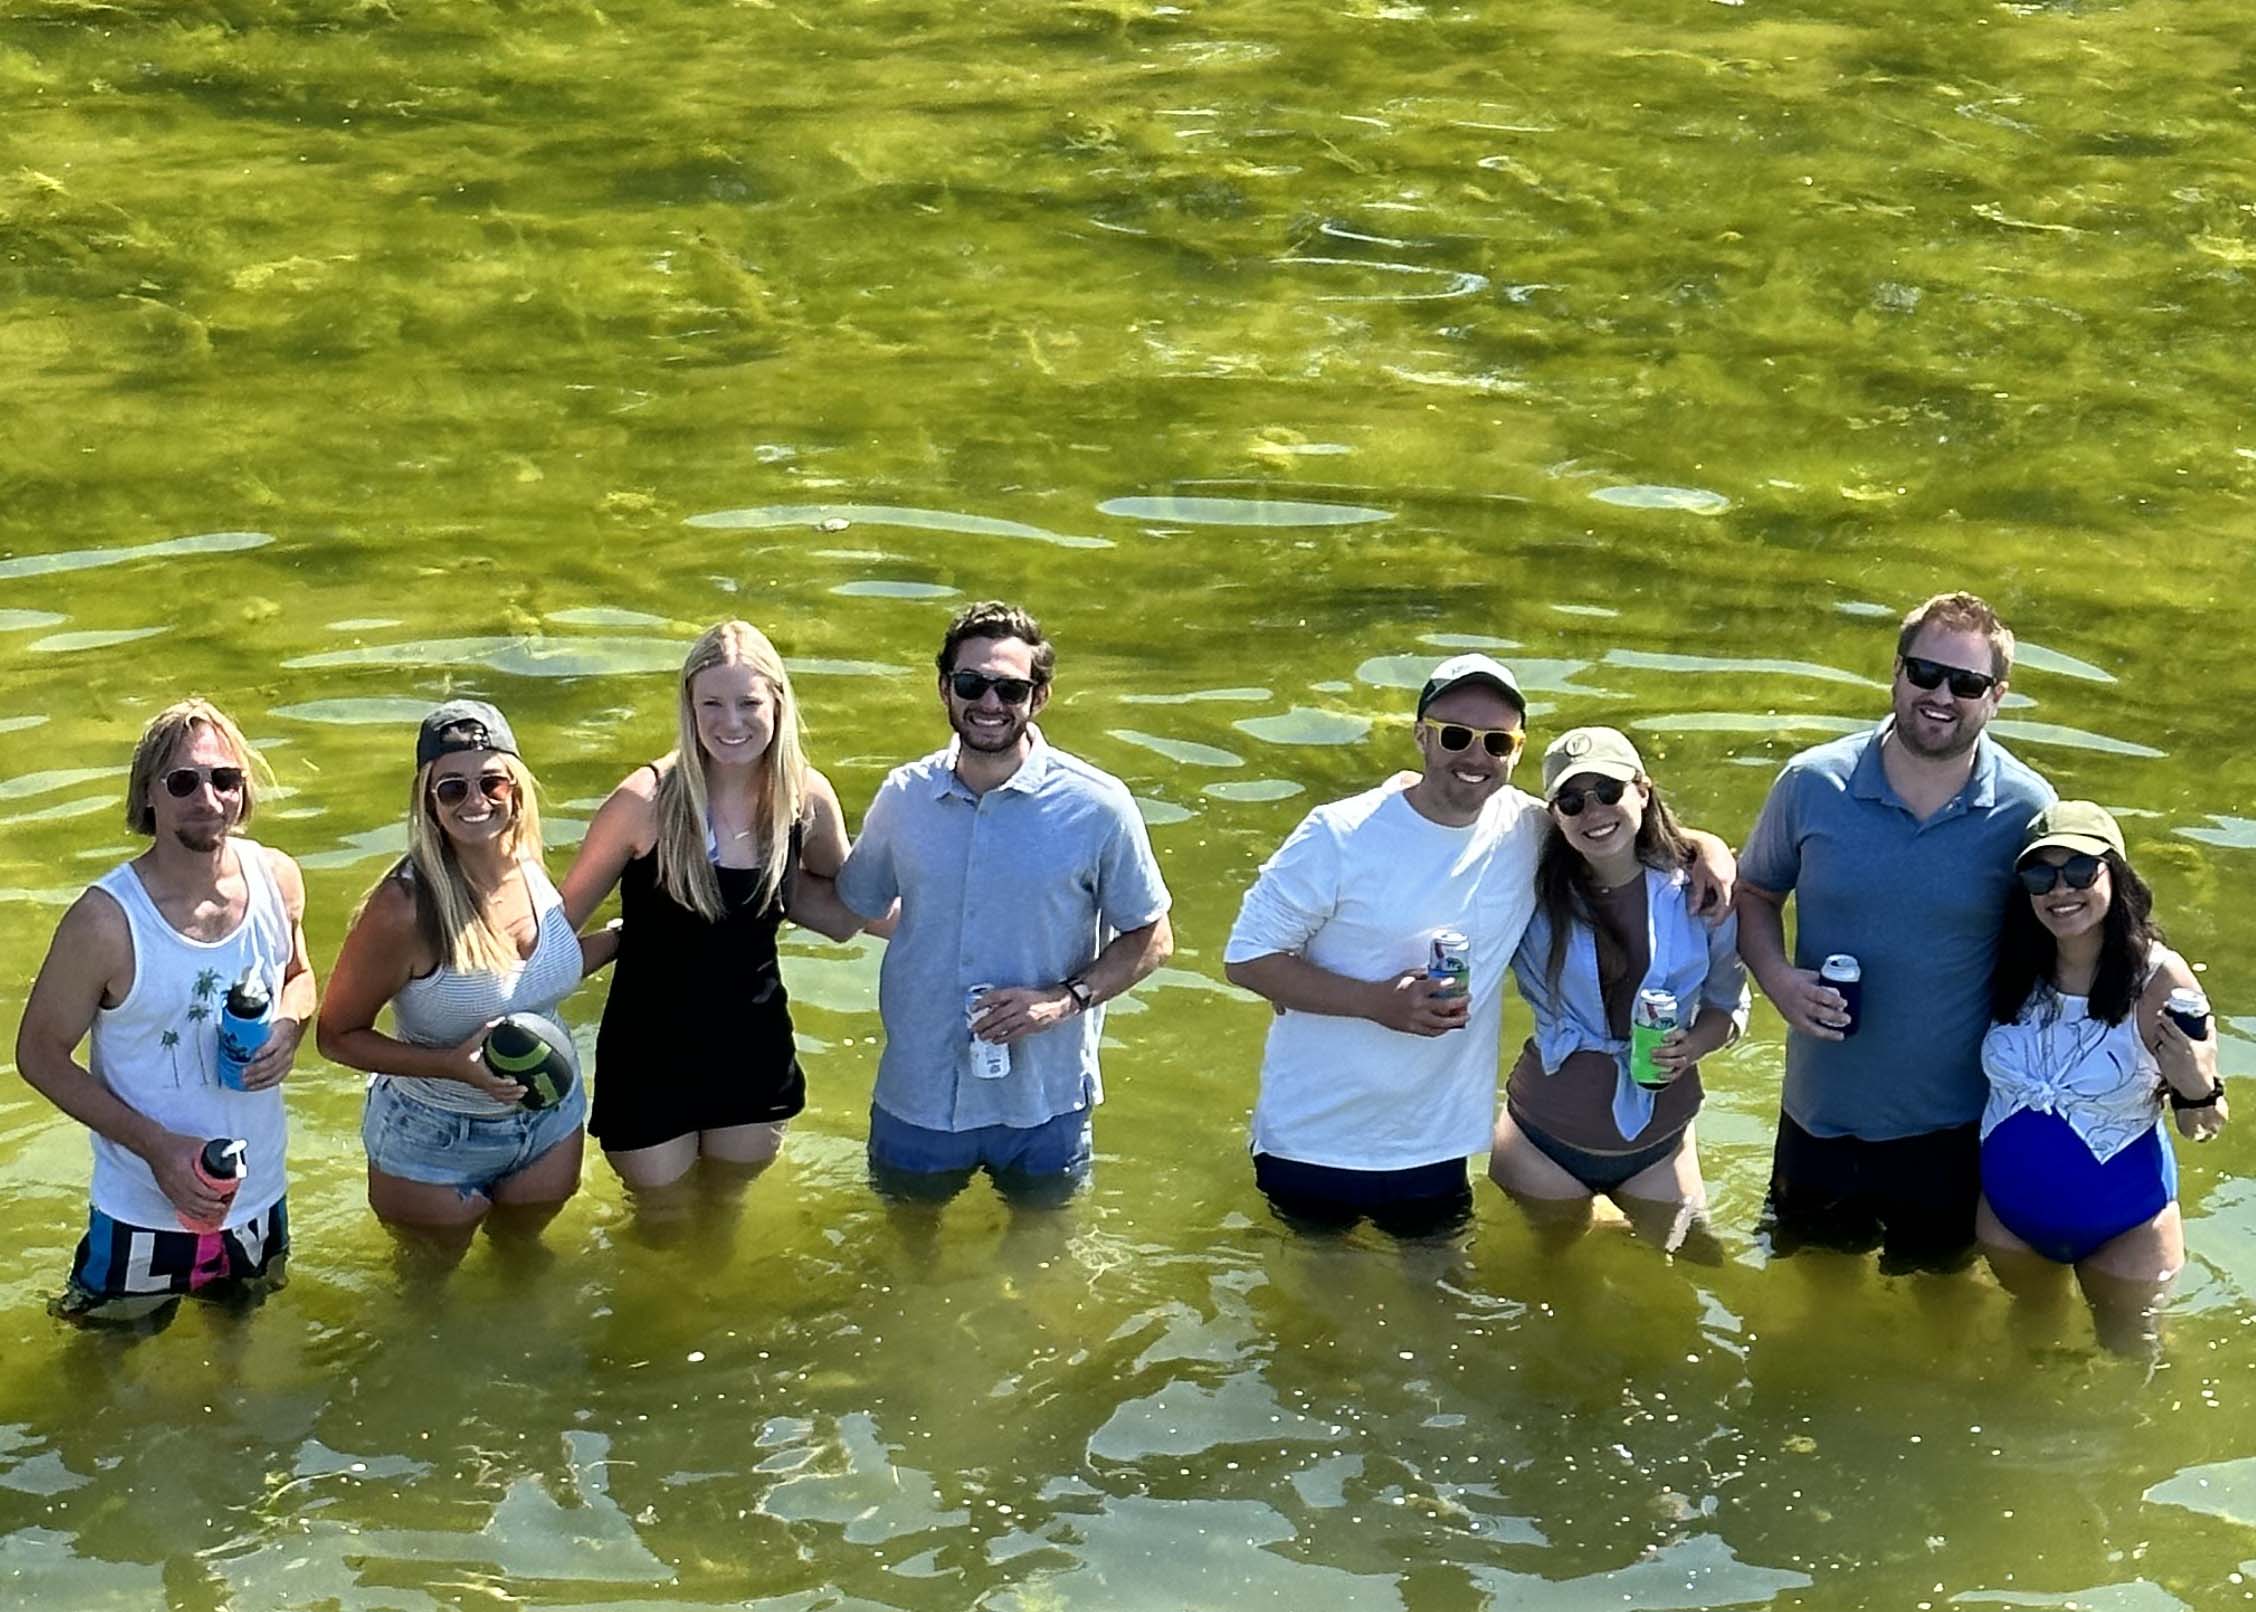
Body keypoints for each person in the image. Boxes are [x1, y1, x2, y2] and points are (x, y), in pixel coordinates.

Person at [1223, 656, 1736, 1237]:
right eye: (1456, 736)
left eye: (1496, 742)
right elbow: (1247, 959)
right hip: (1315, 1138)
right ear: (1421, 736)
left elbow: (1613, 825)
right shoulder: (1338, 833)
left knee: (1440, 1306)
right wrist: (1377, 1002)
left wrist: (1706, 848)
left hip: (1437, 1145)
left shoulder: (1527, 828)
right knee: (1317, 1311)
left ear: (1516, 751)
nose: (1476, 756)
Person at [1738, 591, 2055, 1272]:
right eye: (1925, 673)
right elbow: (1754, 893)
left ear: (1997, 696)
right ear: (1896, 671)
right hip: (1820, 1117)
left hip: (1955, 1129)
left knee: (1942, 1322)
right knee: (1807, 1308)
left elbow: (2085, 926)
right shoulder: (1811, 782)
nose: (1941, 695)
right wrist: (1778, 981)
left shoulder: (2027, 810)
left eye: (1966, 683)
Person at [834, 600, 1173, 1206]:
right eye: (972, 684)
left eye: (1010, 689)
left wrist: (1063, 1001)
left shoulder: (1098, 805)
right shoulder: (903, 796)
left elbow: (1152, 937)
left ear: (1038, 697)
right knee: (903, 1265)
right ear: (944, 687)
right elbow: (853, 904)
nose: (990, 703)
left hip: (1044, 1103)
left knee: (1043, 1272)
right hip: (920, 1093)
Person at [15, 698, 315, 1326]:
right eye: (184, 781)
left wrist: (290, 1026)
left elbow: (299, 975)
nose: (207, 797)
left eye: (224, 779)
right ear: (148, 794)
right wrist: (157, 1149)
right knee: (108, 1380)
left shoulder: (278, 879)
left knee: (244, 1359)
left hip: (257, 1198)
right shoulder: (106, 921)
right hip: (140, 1213)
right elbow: (38, 1056)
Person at [560, 621, 862, 1202]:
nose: (731, 722)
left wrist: (960, 932)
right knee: (660, 1227)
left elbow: (846, 903)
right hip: (648, 1054)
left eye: (749, 702)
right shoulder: (643, 802)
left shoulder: (804, 797)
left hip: (752, 1048)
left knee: (727, 1214)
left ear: (778, 702)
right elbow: (557, 928)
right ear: (688, 706)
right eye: (712, 703)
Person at [317, 701, 616, 1249]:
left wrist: (621, 939)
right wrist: (451, 1066)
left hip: (551, 1119)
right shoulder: (404, 907)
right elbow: (335, 1037)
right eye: (452, 789)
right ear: (428, 803)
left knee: (527, 1277)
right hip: (436, 1137)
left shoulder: (524, 861)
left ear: (517, 789)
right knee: (428, 1306)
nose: (476, 802)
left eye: (492, 783)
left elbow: (537, 975)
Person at [1489, 728, 1749, 1251]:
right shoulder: (1523, 884)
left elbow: (1727, 1004)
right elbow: (1450, 809)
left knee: (1697, 1273)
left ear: (1643, 791)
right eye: (1571, 800)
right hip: (1542, 1144)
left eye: (1608, 792)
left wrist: (1691, 1046)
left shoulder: (1700, 891)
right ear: (1553, 814)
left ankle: (1607, 1223)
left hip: (1660, 1145)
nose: (1593, 812)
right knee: (1552, 1297)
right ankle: (1602, 1224)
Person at [1978, 801, 2225, 1348]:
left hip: (2127, 1227)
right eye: (2041, 874)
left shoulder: (2161, 979)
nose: (2060, 890)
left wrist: (2195, 1082)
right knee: (2028, 1355)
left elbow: (2204, 1125)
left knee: (2135, 1371)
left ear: (2116, 874)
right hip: (2007, 1223)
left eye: (2081, 871)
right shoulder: (2009, 965)